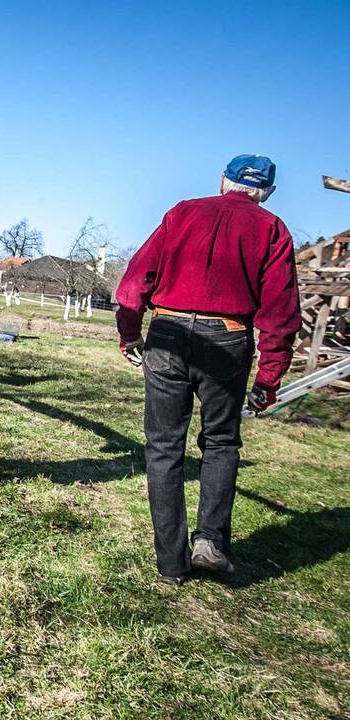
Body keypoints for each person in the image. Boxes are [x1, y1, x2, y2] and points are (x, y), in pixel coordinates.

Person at [116, 154, 301, 585]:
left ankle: (171, 564)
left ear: (224, 181)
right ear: (266, 191)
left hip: (167, 333)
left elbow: (135, 280)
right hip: (228, 338)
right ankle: (210, 542)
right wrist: (268, 378)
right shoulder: (271, 228)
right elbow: (281, 313)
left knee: (163, 448)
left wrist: (130, 333)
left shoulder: (182, 213)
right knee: (220, 443)